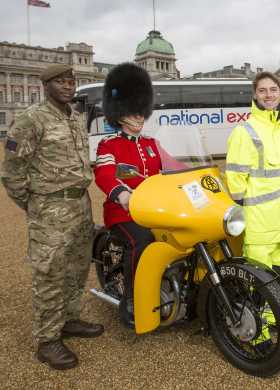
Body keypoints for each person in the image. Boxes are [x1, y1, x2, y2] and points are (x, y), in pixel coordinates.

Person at [0, 64, 104, 370]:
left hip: (80, 206)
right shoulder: (31, 119)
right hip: (49, 211)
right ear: (46, 85)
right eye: (60, 82)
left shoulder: (75, 117)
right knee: (49, 274)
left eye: (71, 82)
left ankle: (69, 319)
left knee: (77, 267)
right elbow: (11, 174)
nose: (68, 87)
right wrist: (35, 206)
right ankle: (47, 340)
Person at [225, 71, 280, 348]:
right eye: (263, 91)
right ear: (254, 95)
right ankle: (256, 336)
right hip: (260, 223)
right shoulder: (244, 131)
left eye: (273, 89)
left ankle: (274, 320)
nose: (269, 95)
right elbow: (235, 183)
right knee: (257, 286)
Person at [93, 62, 166, 330]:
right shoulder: (109, 144)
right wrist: (122, 195)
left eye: (140, 111)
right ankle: (132, 297)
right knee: (142, 239)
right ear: (120, 114)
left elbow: (174, 169)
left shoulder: (152, 144)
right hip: (122, 211)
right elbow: (104, 173)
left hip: (155, 209)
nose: (138, 116)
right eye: (132, 111)